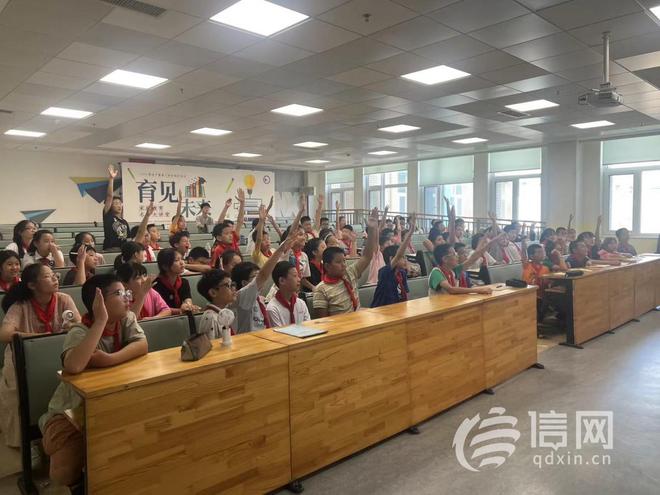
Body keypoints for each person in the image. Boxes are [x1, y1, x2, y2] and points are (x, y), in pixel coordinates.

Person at [39, 274, 147, 490]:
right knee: (63, 472)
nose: (127, 297)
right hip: (74, 409)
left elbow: (142, 345)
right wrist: (100, 321)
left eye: (125, 292)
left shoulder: (126, 319)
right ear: (99, 303)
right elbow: (74, 366)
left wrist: (109, 359)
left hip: (116, 400)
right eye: (118, 293)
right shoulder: (80, 330)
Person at [0, 264, 80, 447]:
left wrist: (72, 327)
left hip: (57, 351)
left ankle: (62, 429)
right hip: (22, 356)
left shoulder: (64, 299)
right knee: (17, 389)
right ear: (32, 285)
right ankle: (24, 440)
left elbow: (80, 325)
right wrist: (41, 338)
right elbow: (4, 334)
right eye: (47, 276)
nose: (55, 278)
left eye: (54, 275)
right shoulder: (21, 305)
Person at [313, 208, 380, 317]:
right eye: (339, 262)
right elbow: (322, 322)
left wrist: (372, 229)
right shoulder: (321, 290)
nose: (343, 265)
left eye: (344, 261)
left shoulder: (350, 273)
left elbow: (367, 256)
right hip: (341, 324)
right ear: (327, 266)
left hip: (358, 319)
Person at [230, 237, 293, 333]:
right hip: (249, 340)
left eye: (257, 276)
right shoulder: (242, 296)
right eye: (254, 277)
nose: (259, 280)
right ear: (244, 283)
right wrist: (280, 249)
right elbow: (263, 275)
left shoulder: (260, 299)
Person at [428, 237, 500, 295]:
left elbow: (473, 258)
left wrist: (490, 244)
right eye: (454, 254)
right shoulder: (436, 272)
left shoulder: (454, 270)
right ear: (445, 259)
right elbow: (451, 289)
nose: (457, 256)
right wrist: (479, 290)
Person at [372, 214, 416, 307]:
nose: (405, 260)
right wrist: (410, 232)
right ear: (392, 259)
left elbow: (405, 294)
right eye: (402, 258)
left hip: (398, 308)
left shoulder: (402, 273)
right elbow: (399, 254)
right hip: (382, 309)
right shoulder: (384, 272)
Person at [153, 249, 200, 314]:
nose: (182, 263)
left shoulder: (184, 282)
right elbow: (159, 308)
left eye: (181, 259)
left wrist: (188, 305)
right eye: (176, 260)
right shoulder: (155, 284)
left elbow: (187, 299)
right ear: (165, 266)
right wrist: (180, 310)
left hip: (180, 316)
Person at [266, 261, 311, 326]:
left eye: (298, 276)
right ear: (282, 281)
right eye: (295, 276)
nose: (299, 279)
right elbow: (278, 332)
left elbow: (309, 327)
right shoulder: (272, 308)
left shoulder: (301, 303)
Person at [197, 269, 237, 340]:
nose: (233, 288)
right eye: (228, 285)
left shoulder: (224, 312)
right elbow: (210, 345)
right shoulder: (210, 318)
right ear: (213, 293)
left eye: (233, 284)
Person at [210, 188, 245, 268]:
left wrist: (242, 203)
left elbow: (240, 221)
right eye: (226, 233)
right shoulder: (218, 249)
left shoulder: (233, 239)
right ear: (219, 238)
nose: (230, 235)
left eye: (230, 233)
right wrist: (226, 207)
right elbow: (216, 268)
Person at [102, 164, 129, 251]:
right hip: (111, 249)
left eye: (120, 203)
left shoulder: (124, 221)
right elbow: (109, 196)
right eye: (116, 203)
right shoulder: (108, 216)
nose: (119, 205)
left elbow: (128, 238)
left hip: (123, 249)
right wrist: (111, 179)